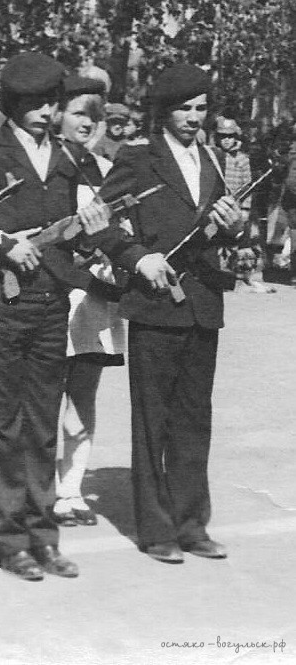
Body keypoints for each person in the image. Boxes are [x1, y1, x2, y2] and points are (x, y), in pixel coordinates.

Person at [0, 52, 108, 582]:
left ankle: (43, 535)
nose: (45, 111)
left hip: (51, 303)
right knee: (3, 424)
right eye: (35, 103)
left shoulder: (69, 157)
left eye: (51, 102)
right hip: (2, 303)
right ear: (13, 105)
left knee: (41, 424)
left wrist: (90, 232)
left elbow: (78, 231)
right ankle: (9, 539)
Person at [90, 63, 242, 564]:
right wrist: (137, 258)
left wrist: (235, 225)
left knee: (194, 420)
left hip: (203, 306)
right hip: (155, 306)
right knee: (152, 421)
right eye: (184, 109)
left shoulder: (212, 158)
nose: (194, 117)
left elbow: (222, 228)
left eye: (201, 108)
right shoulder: (138, 157)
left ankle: (192, 526)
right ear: (163, 112)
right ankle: (156, 530)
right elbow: (98, 223)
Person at [53, 75, 127, 526]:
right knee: (43, 397)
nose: (88, 123)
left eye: (95, 115)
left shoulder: (105, 169)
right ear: (58, 113)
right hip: (51, 294)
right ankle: (40, 488)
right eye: (79, 113)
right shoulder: (45, 166)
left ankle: (71, 489)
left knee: (82, 394)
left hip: (94, 297)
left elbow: (123, 227)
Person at [212, 116, 273, 293]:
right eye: (222, 136)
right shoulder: (211, 155)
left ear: (236, 137)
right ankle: (215, 276)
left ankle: (240, 278)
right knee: (214, 244)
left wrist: (245, 209)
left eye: (230, 136)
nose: (226, 140)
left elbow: (247, 186)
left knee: (236, 244)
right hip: (215, 207)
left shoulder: (243, 159)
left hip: (235, 209)